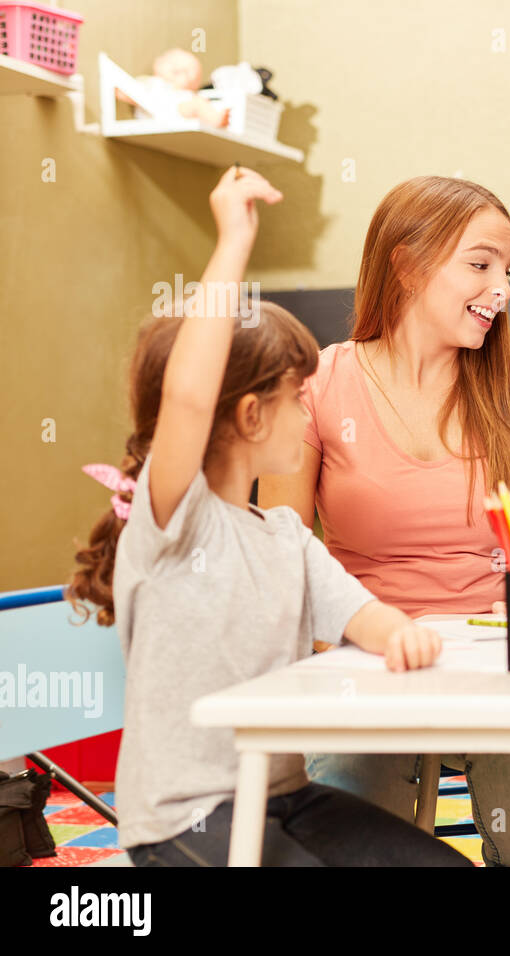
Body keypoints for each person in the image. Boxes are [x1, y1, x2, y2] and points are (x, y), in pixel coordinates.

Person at [69, 167, 469, 867]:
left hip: (284, 794)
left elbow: (361, 614)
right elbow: (191, 398)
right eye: (296, 396)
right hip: (183, 816)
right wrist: (232, 242)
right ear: (251, 415)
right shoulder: (173, 523)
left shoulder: (285, 536)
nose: (310, 408)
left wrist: (402, 634)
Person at [257, 176, 510, 866]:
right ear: (405, 264)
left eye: (508, 270)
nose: (504, 288)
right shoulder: (319, 384)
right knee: (344, 827)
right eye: (481, 263)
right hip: (365, 664)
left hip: (505, 671)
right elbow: (284, 557)